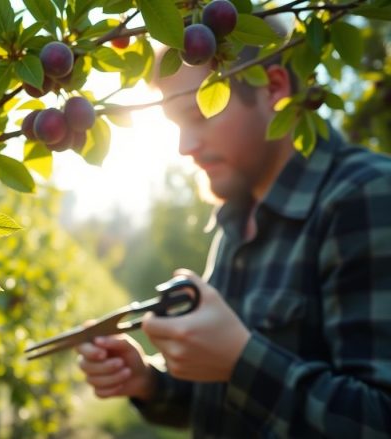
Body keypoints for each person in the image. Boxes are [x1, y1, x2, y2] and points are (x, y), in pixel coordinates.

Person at [76, 46, 391, 437]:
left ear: (273, 88)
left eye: (198, 113)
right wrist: (150, 381)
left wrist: (240, 362)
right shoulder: (237, 218)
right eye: (174, 124)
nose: (183, 145)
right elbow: (223, 398)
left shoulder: (367, 197)